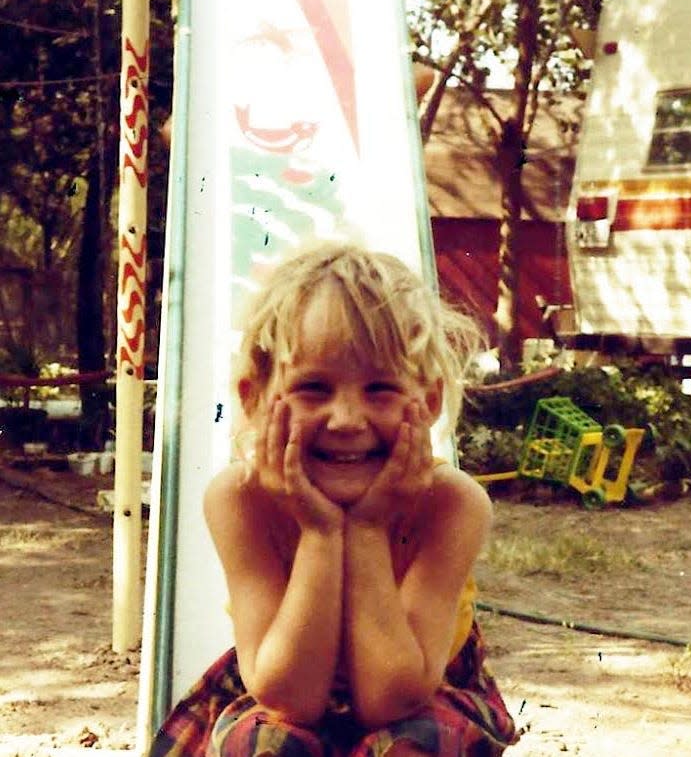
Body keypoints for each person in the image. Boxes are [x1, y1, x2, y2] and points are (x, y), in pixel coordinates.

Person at [149, 242, 518, 756]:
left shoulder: (453, 505)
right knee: (264, 742)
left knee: (416, 743)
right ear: (254, 397)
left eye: (380, 389)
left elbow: (392, 699)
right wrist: (321, 532)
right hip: (283, 683)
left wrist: (367, 529)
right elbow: (288, 699)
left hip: (424, 694)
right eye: (314, 388)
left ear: (429, 402)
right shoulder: (239, 500)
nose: (346, 420)